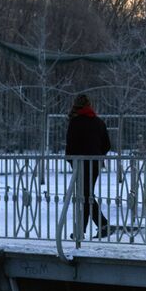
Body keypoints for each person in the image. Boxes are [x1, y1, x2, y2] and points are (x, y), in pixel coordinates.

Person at [64, 93, 111, 239]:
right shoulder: (99, 122)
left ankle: (101, 225)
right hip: (95, 163)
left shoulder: (75, 122)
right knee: (86, 195)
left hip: (80, 163)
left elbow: (70, 145)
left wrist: (71, 161)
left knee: (84, 195)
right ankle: (86, 229)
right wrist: (97, 156)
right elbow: (107, 145)